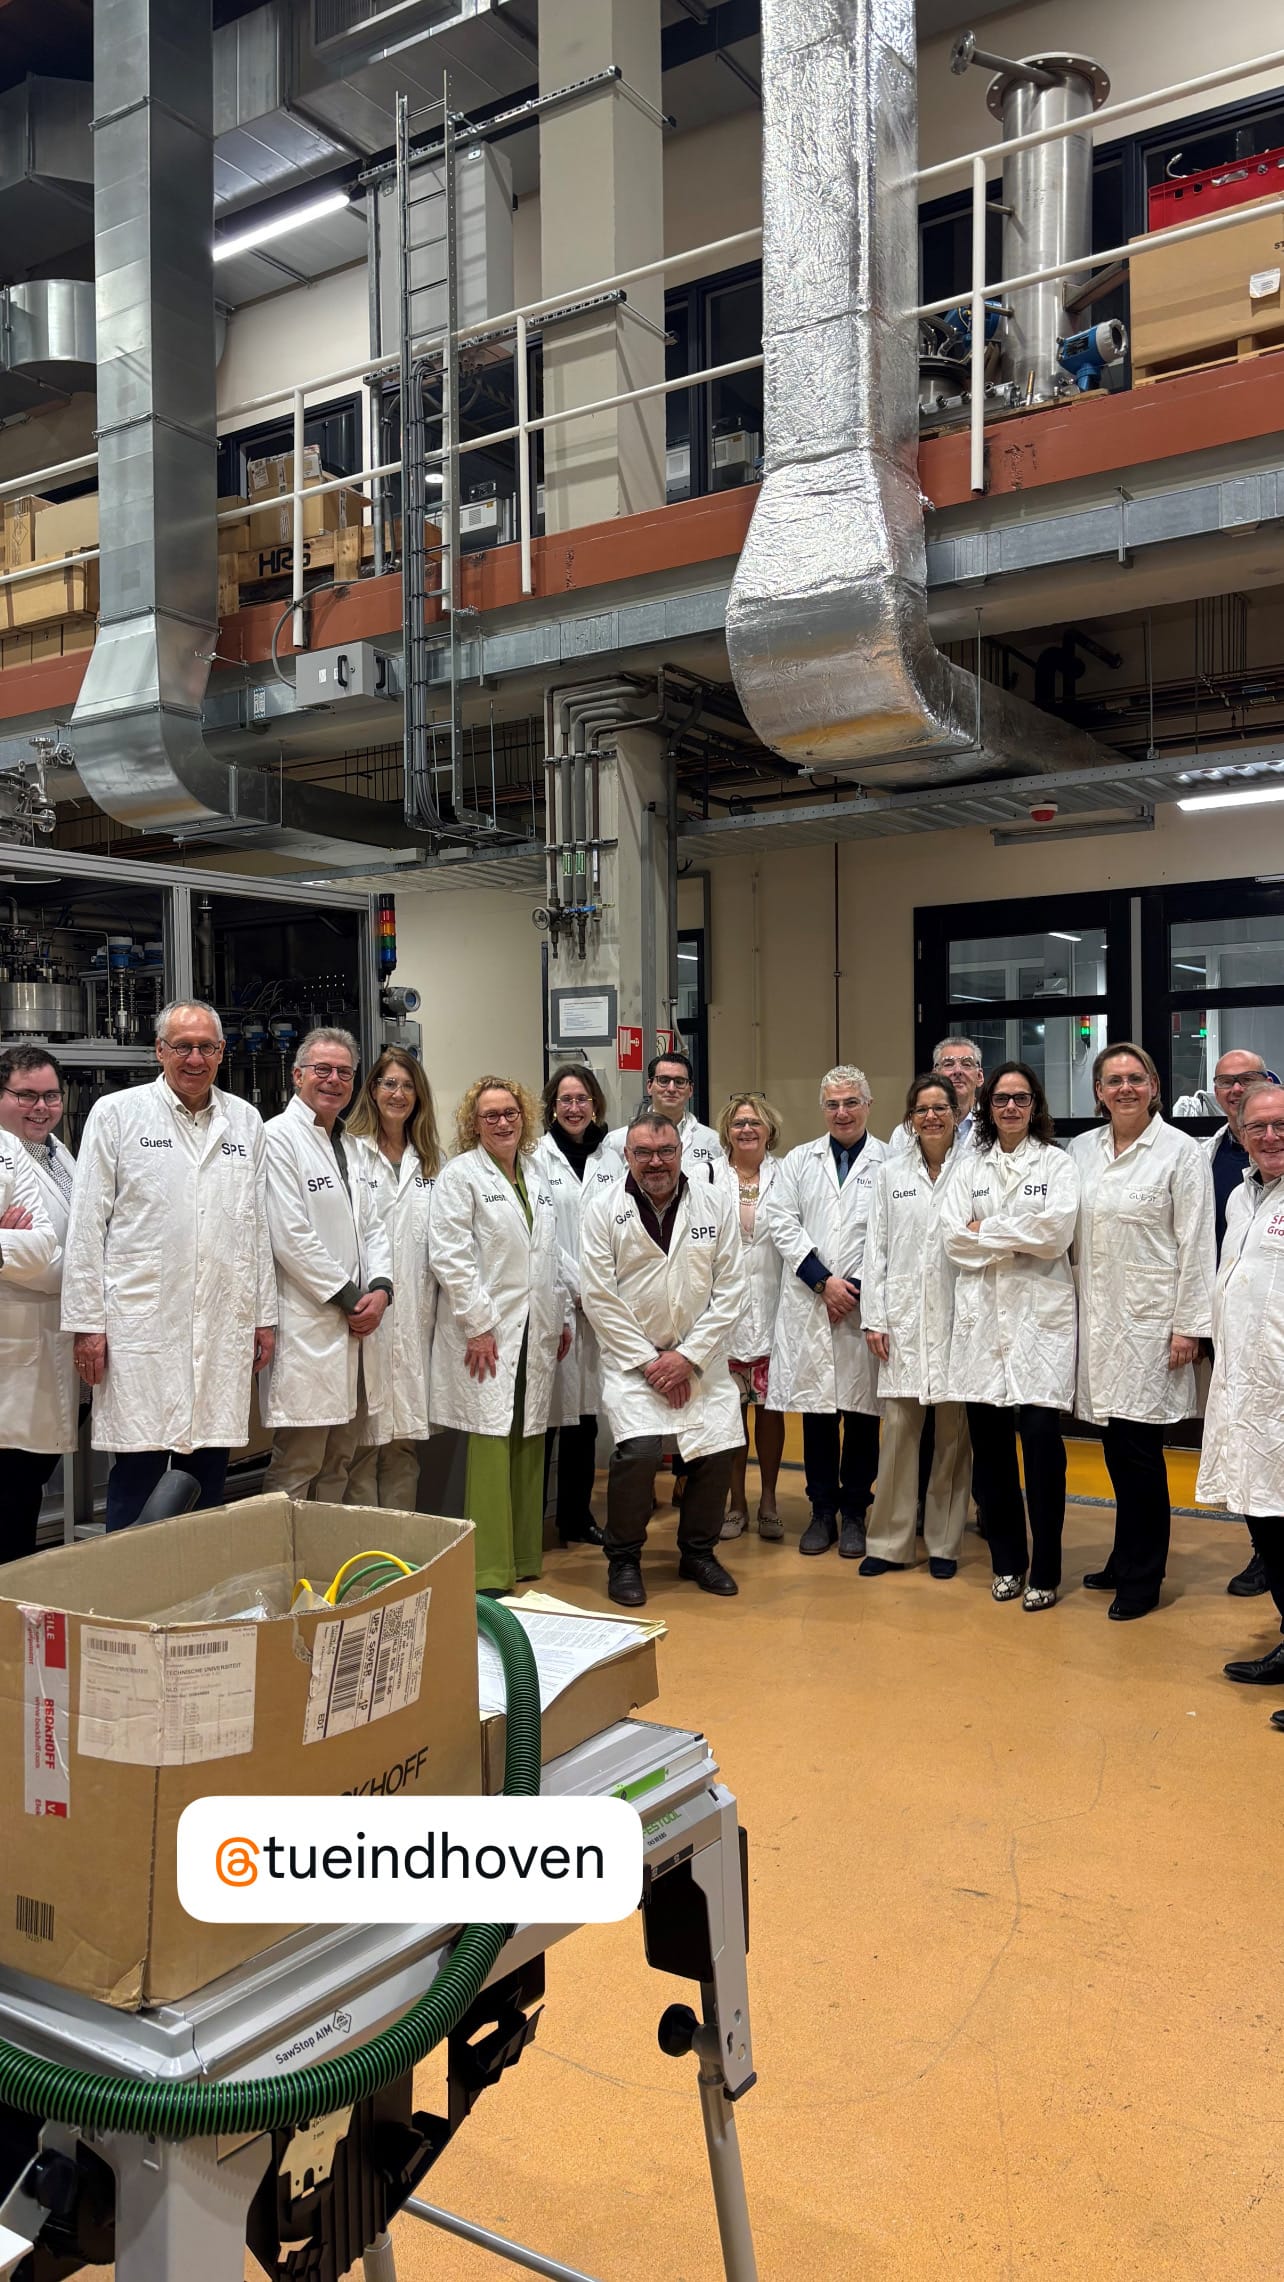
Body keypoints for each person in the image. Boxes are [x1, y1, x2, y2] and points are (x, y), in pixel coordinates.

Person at [61, 1000, 276, 1530]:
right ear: (159, 1051)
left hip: (221, 1322)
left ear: (222, 1053)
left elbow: (256, 1227)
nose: (194, 1058)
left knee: (206, 1474)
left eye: (206, 1047)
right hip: (141, 1327)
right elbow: (87, 1225)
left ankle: (197, 1583)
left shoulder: (245, 1121)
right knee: (139, 1473)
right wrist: (87, 1325)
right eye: (182, 1046)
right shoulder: (117, 1114)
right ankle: (128, 1582)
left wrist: (263, 1318)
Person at [1068, 1042, 1215, 1620]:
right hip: (1097, 1319)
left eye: (1135, 1078)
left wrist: (1189, 1327)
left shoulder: (1180, 1152)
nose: (1124, 1088)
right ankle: (1123, 1555)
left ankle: (1144, 1576)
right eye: (1113, 1080)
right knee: (1113, 1444)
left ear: (1154, 1085)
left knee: (1141, 1452)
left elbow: (1196, 1243)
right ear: (1099, 1092)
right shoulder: (1082, 1150)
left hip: (1152, 1326)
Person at [580, 1111, 747, 1606]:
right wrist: (652, 1363)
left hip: (699, 1360)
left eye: (666, 1151)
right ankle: (623, 1558)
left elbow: (732, 1289)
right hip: (635, 1363)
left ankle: (698, 1552)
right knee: (639, 1453)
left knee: (716, 1449)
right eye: (644, 1153)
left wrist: (687, 1358)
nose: (656, 1162)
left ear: (681, 1153)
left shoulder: (714, 1202)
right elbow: (598, 1295)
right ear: (627, 1156)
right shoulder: (603, 1209)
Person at [941, 1063, 1079, 1608]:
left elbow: (1056, 1235)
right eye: (1001, 1099)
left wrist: (987, 1230)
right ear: (988, 1107)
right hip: (982, 1325)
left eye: (1021, 1098)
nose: (1011, 1108)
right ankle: (1006, 1562)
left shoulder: (1057, 1164)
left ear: (1035, 1105)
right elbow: (953, 1239)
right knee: (992, 1453)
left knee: (1042, 1447)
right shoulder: (969, 1167)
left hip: (1040, 1323)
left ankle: (1046, 1569)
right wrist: (1018, 1236)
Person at [430, 1076, 571, 1595]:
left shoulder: (535, 1173)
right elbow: (451, 1255)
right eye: (490, 1115)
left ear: (524, 1116)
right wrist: (477, 1325)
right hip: (488, 1330)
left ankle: (523, 1556)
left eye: (510, 1112)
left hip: (535, 1325)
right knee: (491, 1441)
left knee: (528, 1438)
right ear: (474, 1123)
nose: (503, 1122)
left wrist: (561, 1315)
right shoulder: (461, 1175)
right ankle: (488, 1569)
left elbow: (551, 1252)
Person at [261, 1027, 392, 1503]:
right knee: (298, 1465)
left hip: (357, 1327)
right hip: (311, 1324)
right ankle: (283, 1553)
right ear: (297, 1075)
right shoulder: (277, 1138)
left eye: (344, 1072)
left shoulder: (352, 1146)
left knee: (339, 1462)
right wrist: (354, 1300)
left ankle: (326, 1552)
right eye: (322, 1070)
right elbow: (290, 1235)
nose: (334, 1080)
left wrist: (382, 1290)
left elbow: (374, 1227)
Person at [765, 1065, 886, 1558]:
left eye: (851, 1102)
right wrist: (823, 1281)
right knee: (817, 1416)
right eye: (833, 1104)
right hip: (812, 1299)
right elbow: (781, 1221)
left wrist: (850, 1290)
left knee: (861, 1416)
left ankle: (855, 1511)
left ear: (868, 1105)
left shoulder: (890, 1161)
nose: (842, 1112)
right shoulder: (799, 1160)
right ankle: (821, 1512)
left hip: (861, 1304)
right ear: (823, 1109)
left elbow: (891, 1233)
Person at [1197, 1079, 1284, 1728]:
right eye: (1257, 1127)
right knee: (1266, 1523)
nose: (1270, 1137)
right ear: (1240, 1133)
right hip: (1247, 1391)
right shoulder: (1240, 1196)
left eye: (1281, 1125)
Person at [860, 1073, 969, 1578]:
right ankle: (888, 1543)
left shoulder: (974, 1168)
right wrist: (874, 1318)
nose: (931, 1117)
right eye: (921, 1110)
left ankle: (944, 1544)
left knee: (953, 1439)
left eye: (940, 1108)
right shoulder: (890, 1174)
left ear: (957, 1114)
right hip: (902, 1320)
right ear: (909, 1119)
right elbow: (876, 1249)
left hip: (959, 1317)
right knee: (899, 1436)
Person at [1182, 1049, 1270, 1598]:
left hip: (1273, 1328)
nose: (1235, 1090)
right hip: (1228, 1324)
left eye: (1248, 1080)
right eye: (1226, 1082)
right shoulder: (1213, 1160)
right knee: (1244, 1437)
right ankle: (1265, 1549)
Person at [343, 1048, 441, 1512]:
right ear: (373, 1091)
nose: (398, 1094)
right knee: (362, 1444)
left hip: (416, 1316)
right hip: (366, 1313)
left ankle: (401, 1544)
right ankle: (364, 1548)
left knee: (404, 1443)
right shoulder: (350, 1151)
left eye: (407, 1085)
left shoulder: (433, 1161)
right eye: (388, 1084)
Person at [533, 1064, 617, 1548]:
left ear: (595, 1104)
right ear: (552, 1106)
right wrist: (581, 1286)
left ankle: (576, 1517)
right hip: (556, 1297)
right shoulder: (536, 1157)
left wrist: (601, 1287)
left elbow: (622, 1225)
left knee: (586, 1418)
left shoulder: (612, 1158)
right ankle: (531, 1517)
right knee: (547, 1415)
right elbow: (542, 1231)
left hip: (601, 1303)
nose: (574, 1108)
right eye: (565, 1099)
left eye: (582, 1098)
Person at [717, 1093, 786, 1541]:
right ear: (727, 1131)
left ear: (768, 1130)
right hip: (723, 1311)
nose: (746, 1130)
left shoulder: (786, 1175)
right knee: (729, 1413)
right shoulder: (708, 1176)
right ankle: (736, 1503)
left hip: (775, 1303)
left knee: (770, 1410)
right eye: (739, 1123)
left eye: (754, 1123)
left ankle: (770, 1500)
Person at [0, 1076, 61, 1561]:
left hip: (52, 1348)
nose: (40, 1107)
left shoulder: (57, 1155)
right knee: (10, 1493)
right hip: (16, 1353)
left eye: (51, 1095)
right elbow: (44, 1263)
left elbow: (43, 1246)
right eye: (26, 1095)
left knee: (25, 1492)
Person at [607, 1050, 727, 1188]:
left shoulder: (713, 1142)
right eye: (663, 1080)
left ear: (690, 1090)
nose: (671, 1088)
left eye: (679, 1082)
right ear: (649, 1086)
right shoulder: (616, 1141)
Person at [888, 1037, 984, 1154]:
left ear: (979, 1077)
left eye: (966, 1064)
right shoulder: (903, 1135)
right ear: (934, 1075)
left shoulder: (995, 1127)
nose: (958, 1071)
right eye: (948, 1064)